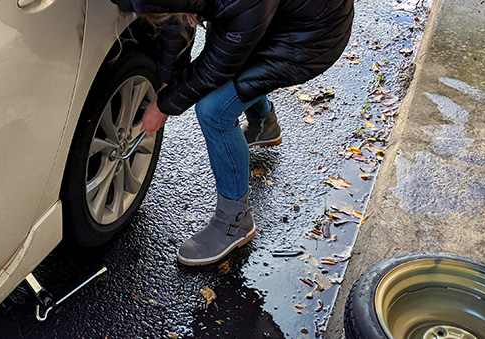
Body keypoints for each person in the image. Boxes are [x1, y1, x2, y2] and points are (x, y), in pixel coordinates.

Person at [111, 0, 354, 265]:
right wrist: (168, 78)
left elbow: (216, 70)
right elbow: (177, 18)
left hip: (311, 37)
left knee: (214, 111)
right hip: (274, 17)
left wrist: (164, 105)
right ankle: (264, 123)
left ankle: (234, 222)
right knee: (237, 64)